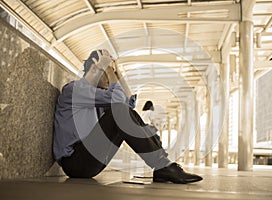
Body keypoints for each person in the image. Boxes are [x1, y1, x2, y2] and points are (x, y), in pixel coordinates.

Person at [52, 49, 203, 184]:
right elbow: (119, 103)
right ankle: (162, 166)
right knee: (118, 110)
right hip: (75, 163)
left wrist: (117, 72)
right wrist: (109, 69)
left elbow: (128, 104)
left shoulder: (98, 96)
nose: (112, 81)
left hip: (89, 162)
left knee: (125, 112)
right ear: (94, 68)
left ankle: (163, 166)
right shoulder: (75, 90)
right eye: (109, 74)